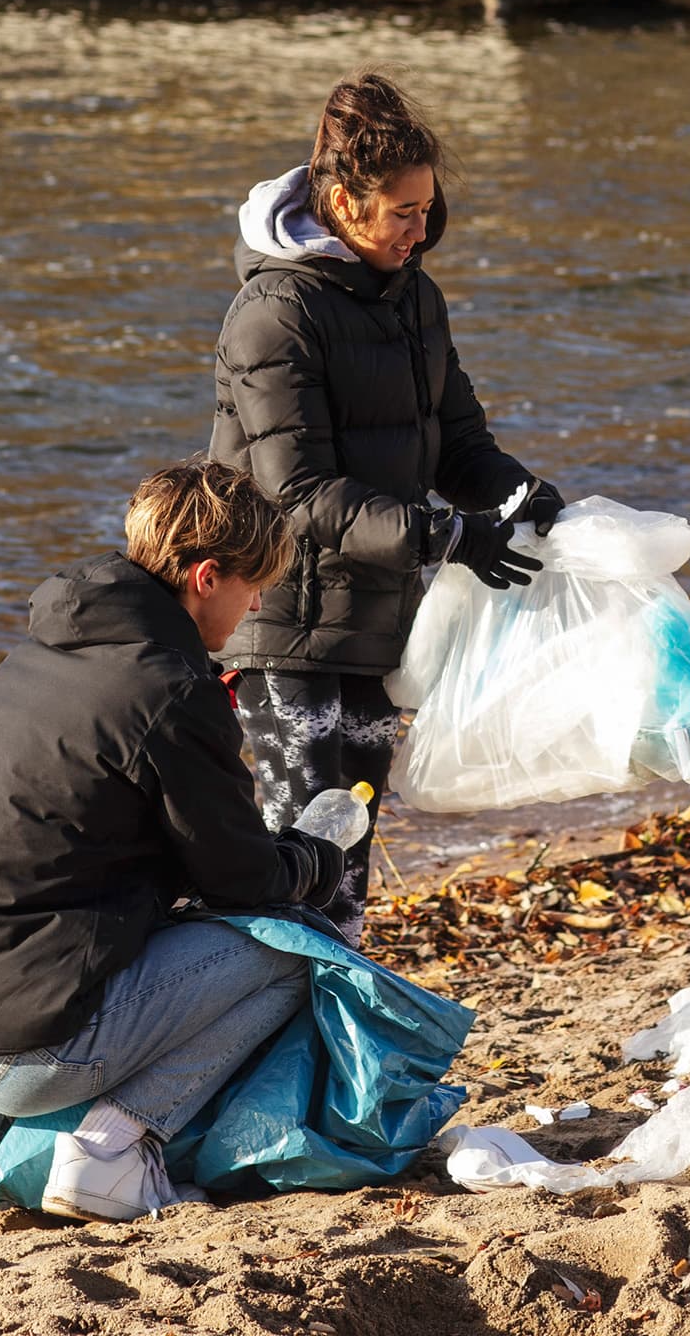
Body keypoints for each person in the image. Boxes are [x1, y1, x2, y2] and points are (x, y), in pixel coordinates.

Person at [0, 460, 346, 1227]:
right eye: (252, 584)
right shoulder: (171, 687)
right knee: (294, 954)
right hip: (18, 1056)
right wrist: (314, 860)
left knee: (64, 919)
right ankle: (108, 1156)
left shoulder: (37, 656)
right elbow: (243, 882)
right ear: (204, 577)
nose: (258, 602)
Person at [210, 69, 564, 942]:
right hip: (283, 621)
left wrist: (518, 495)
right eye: (404, 212)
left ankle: (340, 1045)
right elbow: (293, 492)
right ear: (341, 202)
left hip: (377, 615)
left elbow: (457, 445)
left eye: (428, 209)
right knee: (298, 849)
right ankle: (277, 1047)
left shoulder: (415, 297)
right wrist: (447, 536)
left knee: (351, 850)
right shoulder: (273, 314)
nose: (422, 230)